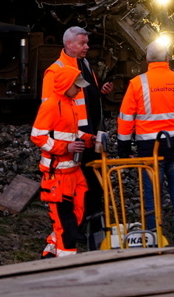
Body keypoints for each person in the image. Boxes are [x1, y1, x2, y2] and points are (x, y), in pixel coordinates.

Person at [117, 41, 174, 246]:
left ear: (147, 60)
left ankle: (154, 244)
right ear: (168, 58)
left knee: (151, 200)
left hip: (148, 149)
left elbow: (125, 119)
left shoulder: (137, 83)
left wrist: (124, 148)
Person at [41, 27, 114, 250]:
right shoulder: (56, 71)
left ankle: (89, 229)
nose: (87, 47)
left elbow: (85, 97)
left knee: (92, 184)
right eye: (82, 43)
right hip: (74, 142)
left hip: (87, 138)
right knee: (75, 188)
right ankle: (75, 231)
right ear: (69, 44)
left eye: (87, 43)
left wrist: (100, 92)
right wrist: (63, 145)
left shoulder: (84, 64)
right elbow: (48, 111)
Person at [30, 65, 97, 257]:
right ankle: (66, 265)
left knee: (73, 218)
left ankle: (51, 253)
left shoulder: (69, 104)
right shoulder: (51, 105)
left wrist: (88, 139)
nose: (79, 89)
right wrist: (65, 148)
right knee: (66, 226)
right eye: (76, 86)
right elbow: (37, 136)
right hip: (58, 175)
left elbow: (72, 133)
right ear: (66, 85)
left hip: (73, 172)